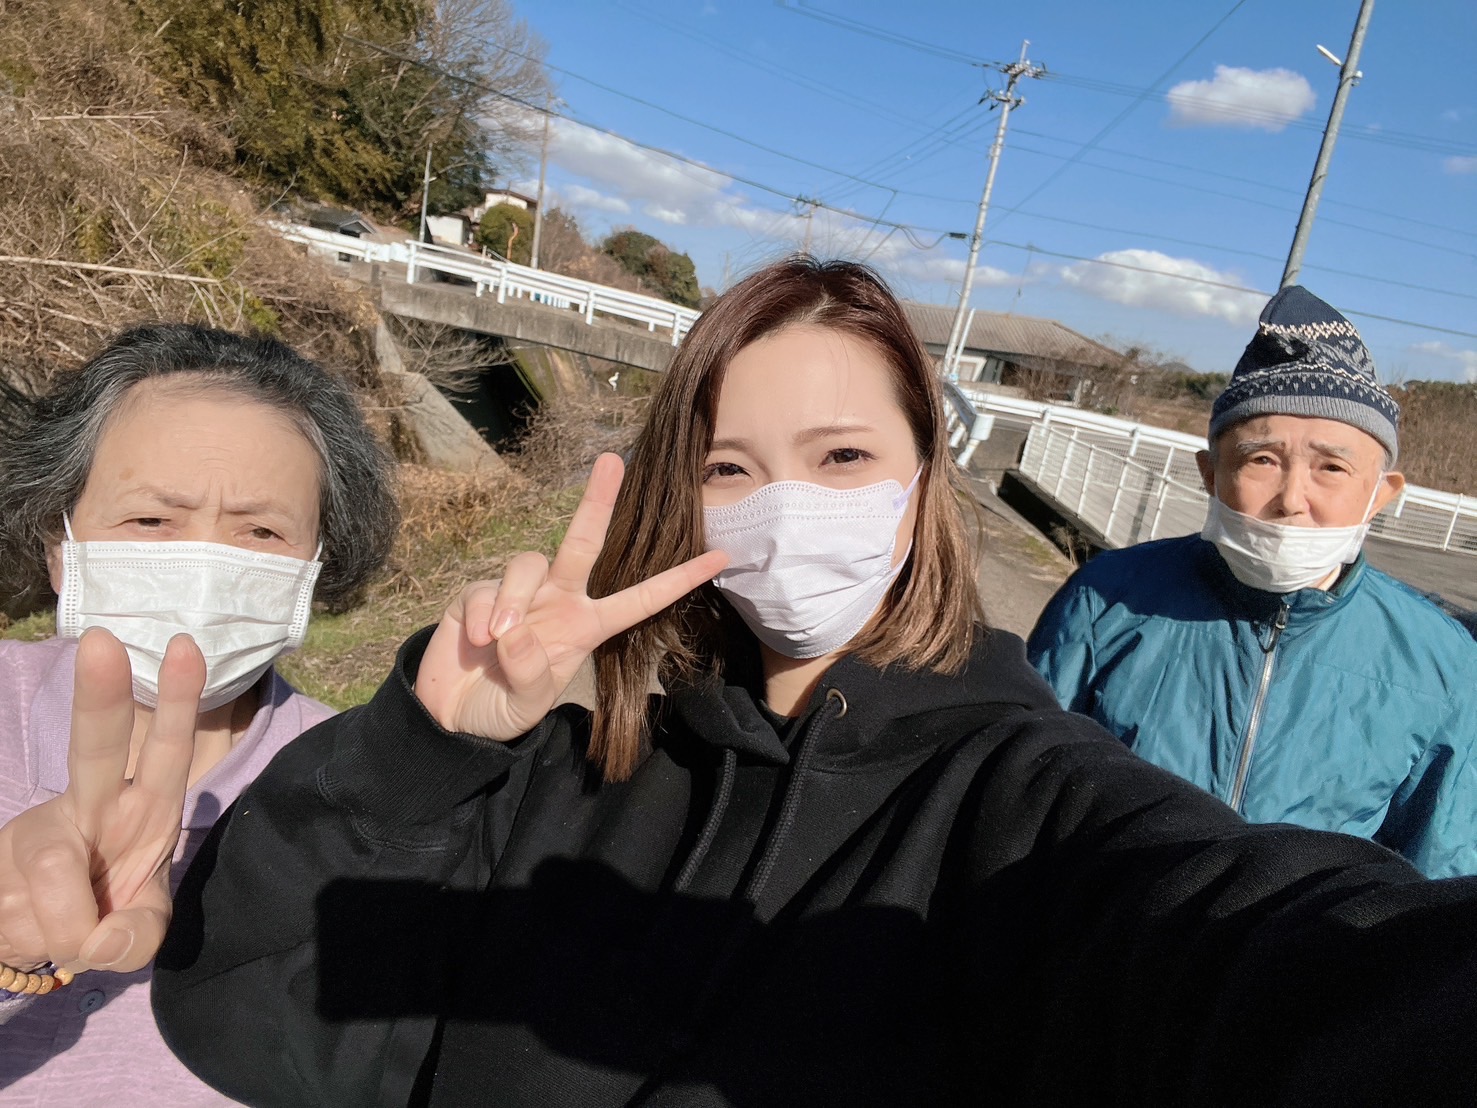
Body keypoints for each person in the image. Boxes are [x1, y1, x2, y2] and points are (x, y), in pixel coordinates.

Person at [14, 260, 1475, 1105]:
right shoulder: (562, 773)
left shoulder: (1020, 806)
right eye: (729, 467)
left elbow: (1262, 948)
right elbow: (260, 1014)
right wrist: (422, 743)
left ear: (926, 481)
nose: (786, 507)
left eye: (842, 457)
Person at [0, 324, 398, 1104]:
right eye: (152, 521)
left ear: (317, 565)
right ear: (58, 538)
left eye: (262, 531)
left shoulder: (363, 792)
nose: (209, 569)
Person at [1028, 286, 1477, 879]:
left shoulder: (1442, 662)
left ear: (1381, 494)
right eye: (1261, 459)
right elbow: (1024, 793)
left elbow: (1438, 877)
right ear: (1211, 474)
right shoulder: (1104, 599)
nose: (1292, 499)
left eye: (1332, 467)